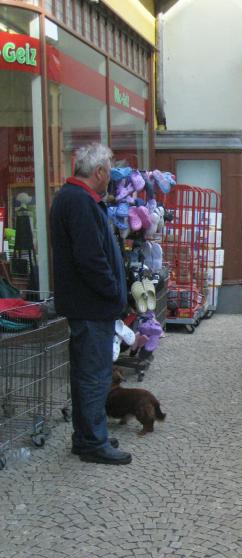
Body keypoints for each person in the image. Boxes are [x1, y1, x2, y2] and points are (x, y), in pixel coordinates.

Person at [50, 143, 131, 465]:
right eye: (109, 172)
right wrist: (113, 292)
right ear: (99, 172)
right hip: (91, 306)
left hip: (87, 305)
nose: (110, 178)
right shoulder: (80, 201)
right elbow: (90, 259)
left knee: (88, 374)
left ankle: (88, 437)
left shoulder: (73, 198)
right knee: (94, 377)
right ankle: (92, 442)